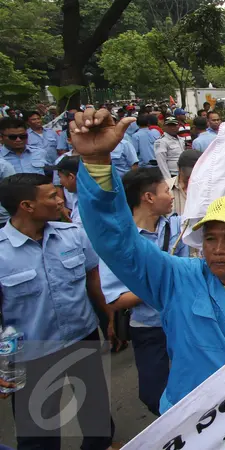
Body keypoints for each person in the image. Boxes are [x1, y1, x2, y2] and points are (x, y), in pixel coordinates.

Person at [71, 107, 225, 414]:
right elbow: (118, 242)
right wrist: (96, 163)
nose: (217, 248)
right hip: (197, 428)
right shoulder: (176, 279)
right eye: (210, 238)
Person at [0, 172, 117, 450]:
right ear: (27, 206)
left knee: (96, 413)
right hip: (32, 352)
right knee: (37, 434)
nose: (60, 199)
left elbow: (93, 281)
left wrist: (109, 319)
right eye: (51, 196)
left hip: (82, 337)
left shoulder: (72, 234)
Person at [100, 167, 188, 416]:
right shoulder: (118, 242)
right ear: (148, 197)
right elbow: (117, 298)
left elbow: (188, 271)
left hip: (183, 319)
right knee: (152, 393)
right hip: (148, 327)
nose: (172, 196)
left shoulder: (179, 227)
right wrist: (160, 281)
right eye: (165, 191)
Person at [47, 155, 83, 225]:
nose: (60, 182)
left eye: (60, 177)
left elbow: (80, 231)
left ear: (71, 177)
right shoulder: (77, 195)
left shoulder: (87, 202)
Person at [168, 149, 200, 216]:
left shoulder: (207, 189)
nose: (191, 179)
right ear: (178, 168)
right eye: (187, 176)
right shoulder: (166, 188)